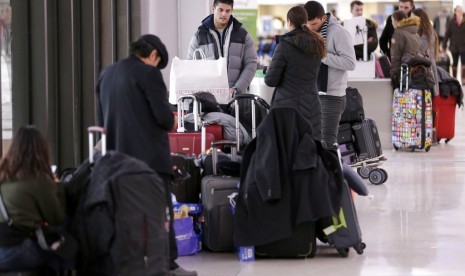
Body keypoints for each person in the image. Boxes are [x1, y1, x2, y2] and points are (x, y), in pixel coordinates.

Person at [96, 34, 197, 276]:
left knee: (124, 214)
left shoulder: (106, 75)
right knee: (160, 213)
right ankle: (168, 264)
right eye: (157, 62)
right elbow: (163, 118)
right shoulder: (148, 74)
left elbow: (102, 121)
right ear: (153, 55)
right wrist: (172, 117)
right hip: (150, 161)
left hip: (117, 160)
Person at [0, 126, 66, 271]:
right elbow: (57, 218)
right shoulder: (39, 180)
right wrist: (58, 188)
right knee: (62, 252)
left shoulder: (3, 176)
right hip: (16, 252)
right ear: (41, 150)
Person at [265, 5, 326, 141]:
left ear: (289, 22)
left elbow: (270, 80)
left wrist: (269, 70)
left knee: (288, 149)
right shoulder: (317, 44)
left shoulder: (284, 46)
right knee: (310, 148)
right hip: (312, 105)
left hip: (287, 108)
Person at [304, 1, 356, 149]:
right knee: (315, 142)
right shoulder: (309, 32)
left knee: (327, 143)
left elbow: (350, 63)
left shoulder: (339, 32)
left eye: (314, 24)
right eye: (309, 24)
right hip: (313, 94)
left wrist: (322, 56)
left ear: (323, 18)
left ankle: (334, 172)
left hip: (332, 96)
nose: (311, 27)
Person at [187, 0, 257, 95]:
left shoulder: (243, 36)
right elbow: (191, 67)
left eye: (228, 11)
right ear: (213, 9)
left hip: (235, 98)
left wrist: (237, 88)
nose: (224, 14)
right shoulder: (199, 37)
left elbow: (251, 64)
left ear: (231, 11)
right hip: (208, 98)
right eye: (220, 10)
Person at [413, 8, 440, 96]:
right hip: (427, 70)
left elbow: (419, 49)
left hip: (426, 71)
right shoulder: (428, 31)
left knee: (425, 101)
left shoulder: (427, 33)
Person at [389, 10, 420, 86]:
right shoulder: (415, 33)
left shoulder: (398, 33)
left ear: (396, 21)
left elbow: (395, 55)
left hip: (402, 74)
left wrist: (394, 74)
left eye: (392, 21)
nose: (392, 23)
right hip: (414, 72)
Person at [442, 5, 465, 83]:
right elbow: (447, 34)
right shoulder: (452, 21)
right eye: (458, 10)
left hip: (464, 46)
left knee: (464, 64)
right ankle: (455, 79)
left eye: (461, 10)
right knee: (454, 64)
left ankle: (463, 79)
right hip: (454, 46)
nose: (460, 12)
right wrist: (444, 46)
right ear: (455, 12)